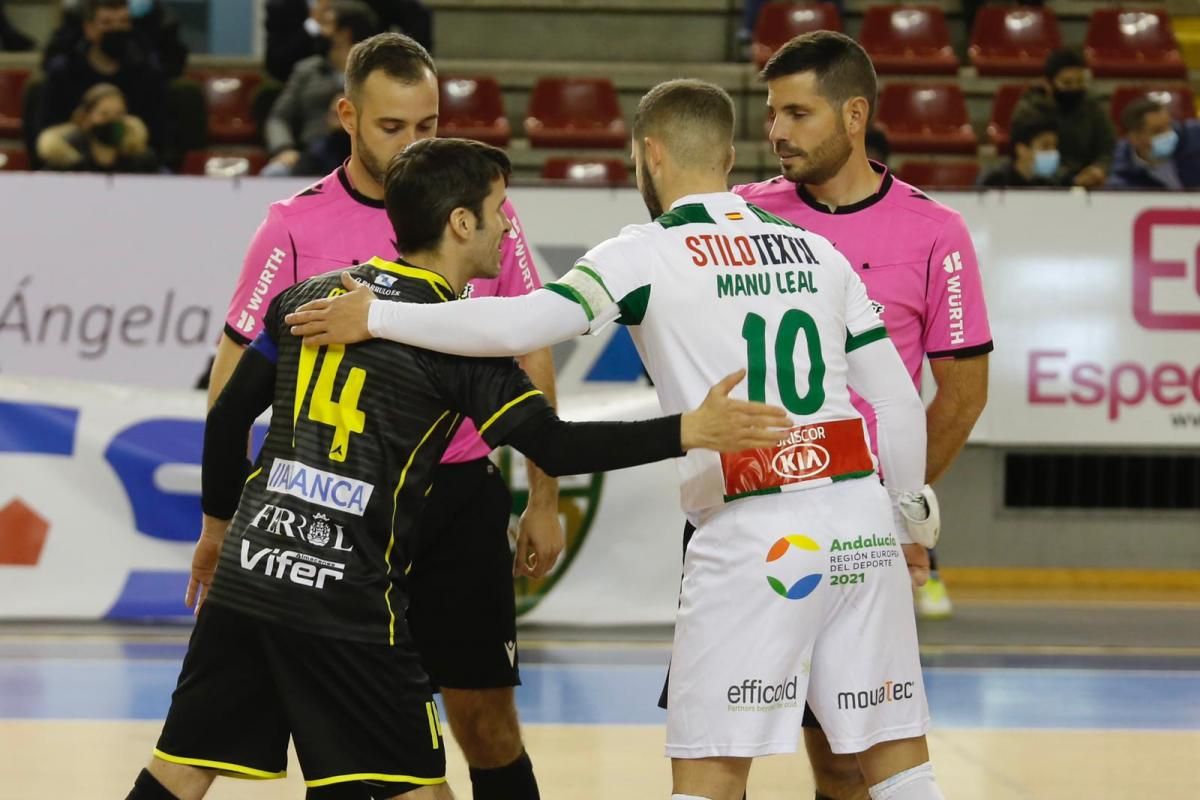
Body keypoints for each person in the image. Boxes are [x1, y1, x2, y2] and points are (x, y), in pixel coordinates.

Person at [285, 78, 945, 800]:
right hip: (859, 521)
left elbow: (517, 325)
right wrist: (909, 521)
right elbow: (899, 403)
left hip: (754, 528)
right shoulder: (820, 253)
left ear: (648, 153)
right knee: (897, 764)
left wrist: (378, 317)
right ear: (727, 155)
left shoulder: (645, 252)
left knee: (711, 773)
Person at [126, 136, 790, 800]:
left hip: (252, 573)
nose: (508, 226)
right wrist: (688, 430)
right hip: (346, 597)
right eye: (499, 209)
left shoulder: (313, 296)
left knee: (180, 771)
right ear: (460, 222)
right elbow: (552, 446)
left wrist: (217, 532)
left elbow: (223, 417)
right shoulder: (455, 339)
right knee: (417, 787)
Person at [209, 32, 561, 800]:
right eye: (391, 127)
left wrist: (542, 497)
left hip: (458, 495)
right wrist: (225, 517)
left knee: (487, 723)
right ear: (346, 115)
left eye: (427, 126)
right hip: (341, 515)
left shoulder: (478, 211)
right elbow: (235, 369)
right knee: (349, 738)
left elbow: (532, 351)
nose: (412, 144)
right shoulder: (294, 225)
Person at [731, 31, 993, 799]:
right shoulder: (744, 218)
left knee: (846, 762)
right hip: (749, 522)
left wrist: (890, 505)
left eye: (798, 114)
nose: (777, 132)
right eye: (773, 114)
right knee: (721, 750)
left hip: (854, 531)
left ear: (854, 115)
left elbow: (963, 393)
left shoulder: (934, 231)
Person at [263, 0, 379, 177]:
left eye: (327, 24)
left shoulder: (376, 75)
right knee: (274, 173)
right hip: (311, 154)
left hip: (363, 155)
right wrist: (283, 149)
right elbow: (278, 117)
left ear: (344, 33)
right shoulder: (307, 70)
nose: (318, 29)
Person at [36, 0, 167, 152]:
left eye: (124, 22)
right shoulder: (63, 73)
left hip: (134, 166)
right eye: (107, 23)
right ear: (89, 29)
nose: (117, 29)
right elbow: (46, 132)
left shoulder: (148, 74)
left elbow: (158, 137)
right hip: (74, 164)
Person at [1012, 48, 1114, 188]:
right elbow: (1030, 155)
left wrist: (1099, 169)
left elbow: (1108, 147)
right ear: (1049, 84)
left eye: (1079, 82)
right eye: (1067, 83)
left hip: (1090, 183)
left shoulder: (1093, 107)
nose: (1074, 88)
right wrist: (1070, 179)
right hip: (1040, 182)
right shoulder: (1030, 111)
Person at [37, 82, 159, 172]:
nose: (112, 120)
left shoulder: (141, 159)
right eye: (104, 114)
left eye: (119, 114)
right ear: (86, 118)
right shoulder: (64, 159)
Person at [1107, 97, 1200, 190]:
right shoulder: (1122, 168)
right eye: (1157, 131)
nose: (1168, 133)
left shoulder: (1193, 135)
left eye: (1169, 125)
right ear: (1134, 138)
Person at [980, 112, 1062, 187]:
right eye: (1045, 146)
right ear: (1021, 149)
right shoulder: (995, 181)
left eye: (1054, 146)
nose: (1052, 152)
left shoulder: (1052, 183)